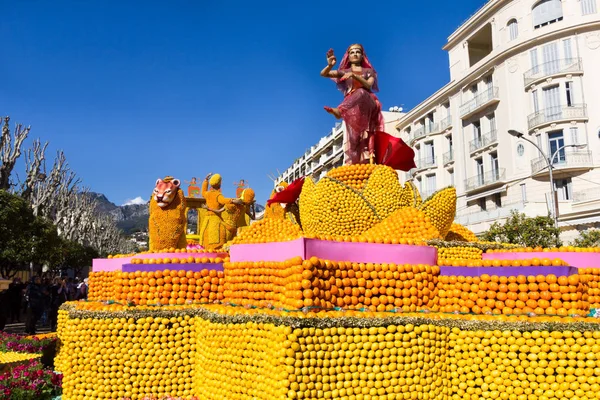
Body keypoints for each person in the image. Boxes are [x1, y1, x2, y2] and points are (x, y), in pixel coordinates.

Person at [321, 44, 384, 165]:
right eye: (352, 52)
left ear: (362, 56)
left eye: (358, 52)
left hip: (368, 102)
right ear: (348, 57)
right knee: (354, 140)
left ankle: (340, 111)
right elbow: (324, 74)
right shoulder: (345, 72)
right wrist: (330, 65)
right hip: (353, 109)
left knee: (360, 91)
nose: (355, 54)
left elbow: (368, 85)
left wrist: (354, 76)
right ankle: (355, 168)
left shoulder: (368, 71)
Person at [199, 173, 243, 250]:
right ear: (219, 184)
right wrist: (233, 201)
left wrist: (205, 180)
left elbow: (203, 191)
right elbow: (224, 201)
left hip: (207, 220)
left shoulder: (207, 194)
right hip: (215, 220)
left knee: (205, 236)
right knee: (216, 238)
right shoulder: (218, 195)